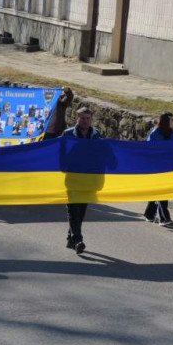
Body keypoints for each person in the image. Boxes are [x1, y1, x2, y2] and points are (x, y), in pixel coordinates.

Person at [62, 107, 101, 255]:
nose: (85, 121)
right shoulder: (68, 134)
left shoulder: (96, 135)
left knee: (81, 211)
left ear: (91, 120)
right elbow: (61, 154)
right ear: (77, 119)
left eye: (88, 118)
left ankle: (70, 238)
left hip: (88, 179)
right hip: (72, 178)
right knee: (73, 210)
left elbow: (101, 154)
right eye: (82, 118)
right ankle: (78, 240)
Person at [143, 113, 173, 227]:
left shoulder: (171, 133)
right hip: (155, 167)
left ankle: (149, 213)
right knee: (162, 192)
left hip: (167, 166)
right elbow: (149, 150)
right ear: (166, 121)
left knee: (158, 191)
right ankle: (164, 218)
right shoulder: (155, 134)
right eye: (172, 120)